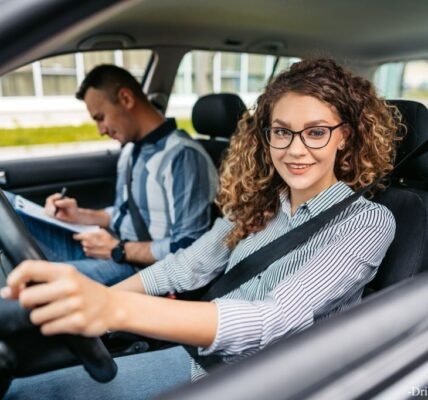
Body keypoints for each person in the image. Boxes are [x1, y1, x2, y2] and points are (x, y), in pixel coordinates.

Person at [2, 58, 400, 399]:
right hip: (198, 349)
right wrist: (100, 300)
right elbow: (187, 265)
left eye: (316, 132)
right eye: (281, 131)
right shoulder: (259, 203)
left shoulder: (366, 221)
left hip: (258, 378)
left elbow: (272, 320)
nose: (295, 149)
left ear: (344, 136)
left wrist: (113, 308)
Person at [6, 64, 218, 285]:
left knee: (34, 282)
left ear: (126, 99)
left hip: (140, 269)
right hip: (112, 249)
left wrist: (119, 250)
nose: (100, 130)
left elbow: (190, 247)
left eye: (100, 117)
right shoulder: (130, 150)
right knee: (10, 207)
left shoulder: (183, 157)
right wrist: (79, 215)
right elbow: (122, 213)